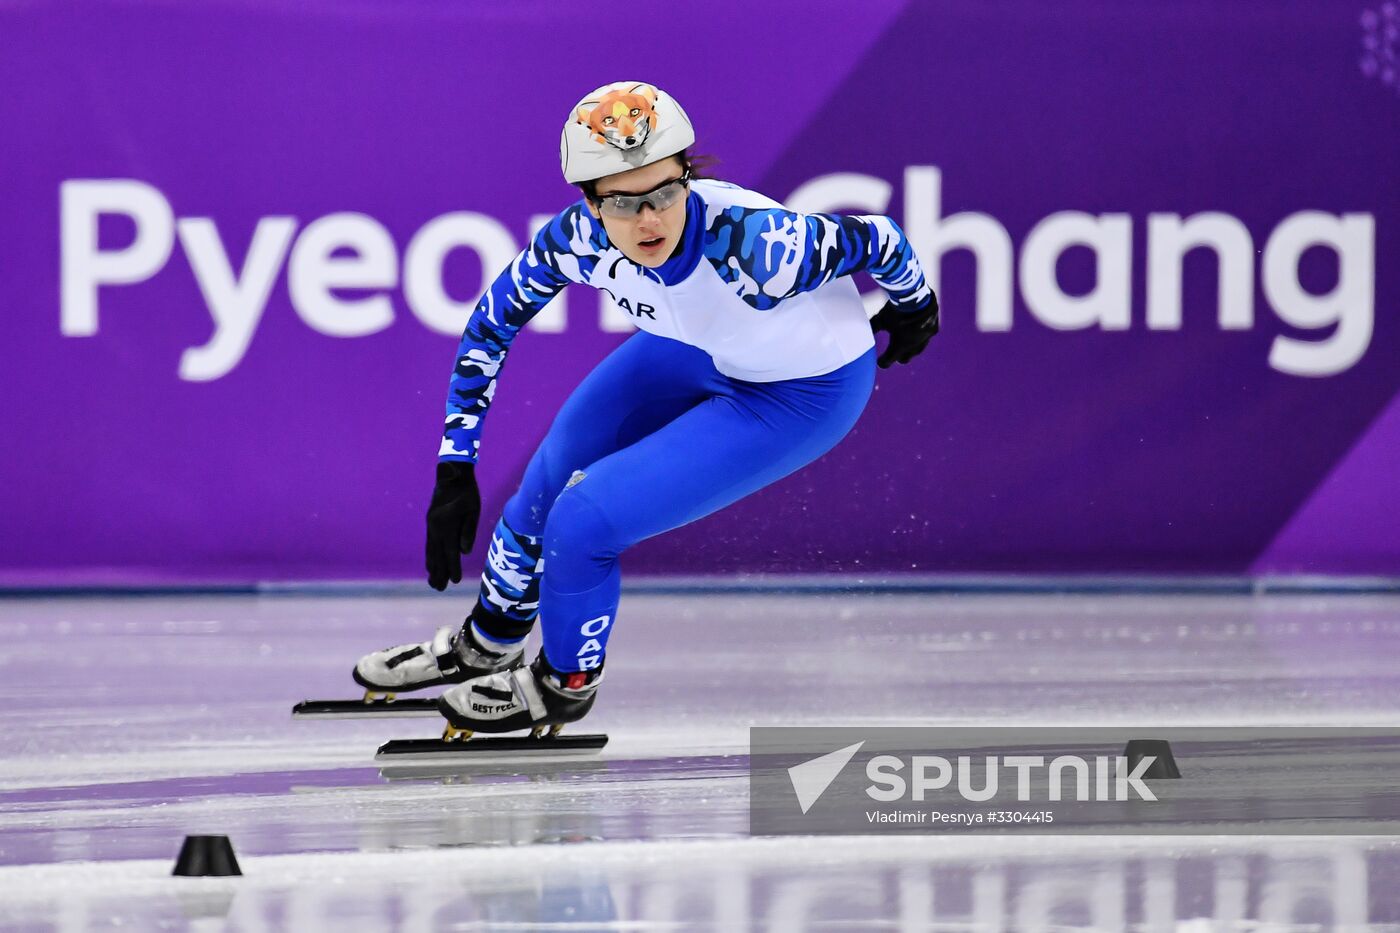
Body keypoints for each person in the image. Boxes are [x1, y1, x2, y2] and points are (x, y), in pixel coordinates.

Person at [354, 81, 939, 736]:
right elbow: (491, 325)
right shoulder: (576, 240)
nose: (649, 219)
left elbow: (880, 239)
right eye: (623, 203)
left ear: (687, 176)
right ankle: (488, 639)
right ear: (590, 205)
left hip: (804, 390)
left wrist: (916, 307)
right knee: (550, 474)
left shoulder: (760, 250)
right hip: (701, 344)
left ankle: (565, 682)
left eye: (664, 193)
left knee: (582, 522)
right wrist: (454, 467)